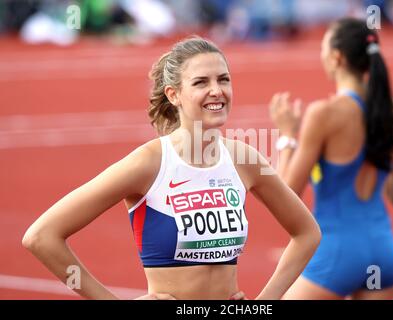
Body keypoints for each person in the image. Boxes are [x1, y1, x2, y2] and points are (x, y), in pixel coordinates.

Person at [22, 36, 321, 300]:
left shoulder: (245, 159)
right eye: (201, 82)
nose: (217, 90)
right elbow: (41, 236)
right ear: (173, 95)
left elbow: (307, 233)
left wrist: (266, 300)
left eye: (223, 79)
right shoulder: (149, 163)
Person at [269, 18, 393, 299]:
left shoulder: (324, 114)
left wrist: (287, 137)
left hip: (338, 254)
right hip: (383, 254)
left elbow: (286, 194)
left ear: (336, 57)